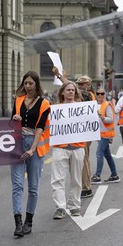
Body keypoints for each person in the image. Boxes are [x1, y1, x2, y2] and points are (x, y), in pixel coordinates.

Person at [10, 71, 50, 237]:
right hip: (17, 144)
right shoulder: (18, 100)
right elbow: (10, 126)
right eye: (25, 83)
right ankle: (18, 222)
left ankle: (29, 221)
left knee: (33, 187)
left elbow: (40, 127)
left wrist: (32, 148)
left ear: (36, 84)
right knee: (17, 185)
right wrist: (14, 119)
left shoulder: (44, 103)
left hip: (34, 145)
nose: (27, 86)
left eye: (30, 84)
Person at [53, 67, 95, 198]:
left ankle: (86, 186)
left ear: (88, 85)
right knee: (84, 158)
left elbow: (71, 89)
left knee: (84, 158)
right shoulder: (82, 94)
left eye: (82, 84)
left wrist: (60, 76)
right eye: (79, 84)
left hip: (83, 132)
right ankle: (86, 185)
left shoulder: (88, 95)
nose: (80, 86)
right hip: (75, 132)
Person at [51, 82, 85, 219]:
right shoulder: (55, 109)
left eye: (73, 90)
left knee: (76, 180)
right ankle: (60, 207)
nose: (71, 92)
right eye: (68, 90)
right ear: (62, 93)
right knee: (57, 179)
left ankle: (74, 206)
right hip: (60, 147)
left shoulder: (82, 108)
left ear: (75, 93)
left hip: (78, 147)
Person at [91, 87, 120, 184]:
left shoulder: (107, 105)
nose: (100, 95)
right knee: (107, 155)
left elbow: (110, 119)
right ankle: (114, 175)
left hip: (106, 134)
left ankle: (97, 176)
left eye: (102, 94)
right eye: (98, 93)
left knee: (99, 153)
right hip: (99, 134)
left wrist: (102, 117)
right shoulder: (94, 105)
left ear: (105, 95)